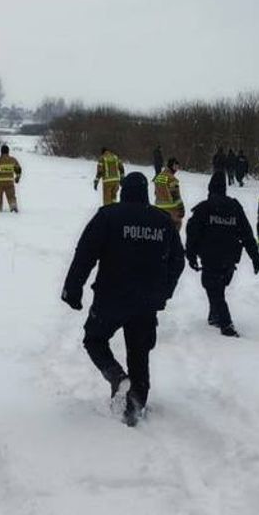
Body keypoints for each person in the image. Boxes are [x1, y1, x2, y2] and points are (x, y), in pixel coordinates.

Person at [61, 172, 186, 427]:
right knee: (139, 353)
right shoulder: (162, 221)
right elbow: (178, 260)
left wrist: (73, 289)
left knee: (94, 339)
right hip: (146, 301)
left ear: (123, 191)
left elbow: (85, 253)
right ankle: (134, 406)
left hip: (111, 296)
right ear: (146, 194)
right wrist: (164, 291)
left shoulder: (108, 215)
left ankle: (117, 378)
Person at [185, 170, 259, 336]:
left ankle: (226, 324)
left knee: (214, 289)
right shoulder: (234, 207)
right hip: (229, 259)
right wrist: (255, 257)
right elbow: (247, 234)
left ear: (210, 188)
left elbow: (192, 233)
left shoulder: (204, 208)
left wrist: (190, 255)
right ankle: (214, 316)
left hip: (211, 257)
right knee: (217, 288)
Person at [154, 157, 185, 230]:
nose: (177, 169)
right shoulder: (172, 179)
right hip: (171, 211)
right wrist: (181, 209)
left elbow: (156, 193)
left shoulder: (159, 176)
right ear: (172, 166)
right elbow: (176, 196)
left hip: (158, 209)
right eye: (176, 167)